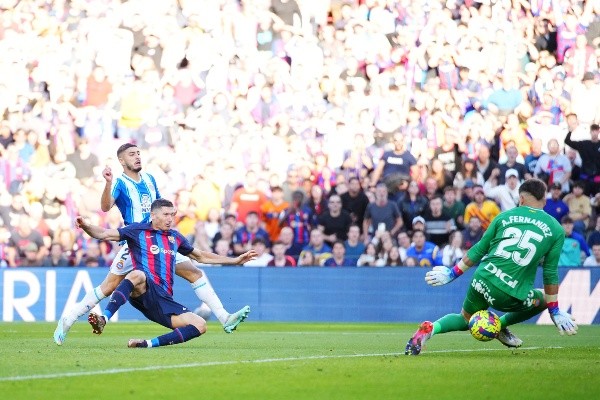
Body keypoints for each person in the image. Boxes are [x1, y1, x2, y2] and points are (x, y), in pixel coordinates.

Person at [54, 143, 250, 345]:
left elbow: (159, 207)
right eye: (132, 154)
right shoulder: (121, 183)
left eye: (139, 153)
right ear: (122, 160)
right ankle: (67, 320)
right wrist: (108, 183)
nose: (137, 156)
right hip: (135, 242)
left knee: (195, 272)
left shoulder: (149, 179)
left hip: (159, 239)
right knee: (107, 287)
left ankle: (224, 317)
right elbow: (105, 207)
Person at [405, 179, 578, 356]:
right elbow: (549, 273)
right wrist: (554, 310)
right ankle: (500, 326)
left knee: (465, 319)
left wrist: (452, 273)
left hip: (482, 278)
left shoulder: (504, 216)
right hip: (509, 293)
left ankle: (430, 329)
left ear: (521, 199)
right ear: (544, 200)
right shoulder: (556, 229)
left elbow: (479, 249)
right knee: (541, 298)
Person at [75, 199, 257, 348]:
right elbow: (104, 234)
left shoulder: (175, 237)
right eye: (166, 214)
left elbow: (200, 256)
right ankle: (104, 318)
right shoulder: (137, 230)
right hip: (144, 289)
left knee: (200, 325)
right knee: (137, 274)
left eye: (173, 214)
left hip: (163, 301)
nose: (170, 219)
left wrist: (235, 260)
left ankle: (146, 344)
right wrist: (85, 226)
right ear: (153, 215)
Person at [564, 120, 600, 195]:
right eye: (593, 131)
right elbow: (567, 141)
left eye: (596, 130)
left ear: (598, 131)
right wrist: (570, 131)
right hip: (585, 177)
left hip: (598, 178)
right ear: (590, 132)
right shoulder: (584, 144)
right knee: (583, 198)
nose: (594, 133)